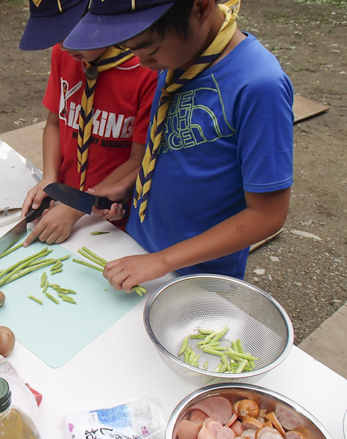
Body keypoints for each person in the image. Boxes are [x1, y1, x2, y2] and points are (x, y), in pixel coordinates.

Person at [62, 0, 294, 290]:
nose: (143, 63)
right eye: (129, 49)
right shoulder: (178, 58)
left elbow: (267, 215)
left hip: (198, 274)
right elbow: (173, 149)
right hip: (138, 248)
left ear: (200, 8)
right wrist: (127, 186)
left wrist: (163, 261)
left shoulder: (260, 86)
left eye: (151, 49)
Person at [19, 0, 158, 246]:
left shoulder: (146, 70)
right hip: (63, 203)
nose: (64, 45)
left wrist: (77, 205)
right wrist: (50, 179)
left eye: (71, 33)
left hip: (110, 215)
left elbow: (139, 160)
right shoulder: (63, 54)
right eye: (56, 34)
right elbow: (54, 122)